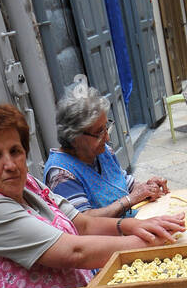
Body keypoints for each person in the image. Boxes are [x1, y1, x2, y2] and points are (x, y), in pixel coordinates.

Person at [0, 100, 185, 288]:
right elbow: (76, 252)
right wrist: (150, 243)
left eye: (15, 151)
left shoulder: (28, 184)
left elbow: (83, 224)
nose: (10, 165)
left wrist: (131, 226)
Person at [44, 85, 169, 218]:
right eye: (99, 132)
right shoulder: (60, 173)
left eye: (106, 127)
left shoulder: (103, 152)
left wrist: (147, 187)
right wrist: (130, 199)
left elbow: (124, 184)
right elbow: (85, 222)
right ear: (74, 137)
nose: (107, 137)